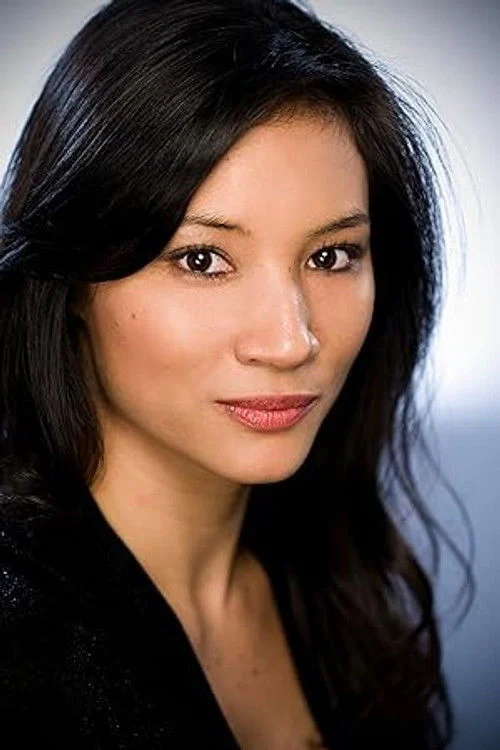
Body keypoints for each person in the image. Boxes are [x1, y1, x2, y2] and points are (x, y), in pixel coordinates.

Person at [0, 0, 474, 748]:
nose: (291, 341)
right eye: (202, 260)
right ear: (73, 282)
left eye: (331, 256)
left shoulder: (333, 584)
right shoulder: (17, 649)